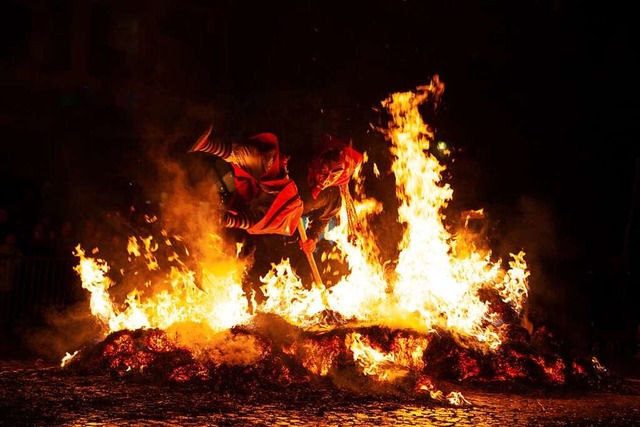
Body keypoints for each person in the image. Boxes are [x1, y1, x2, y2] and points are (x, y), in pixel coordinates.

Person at [188, 126, 303, 237]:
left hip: (272, 201)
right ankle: (207, 145)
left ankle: (206, 145)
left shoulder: (270, 216)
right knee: (250, 156)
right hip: (273, 183)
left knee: (260, 218)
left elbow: (257, 220)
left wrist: (227, 220)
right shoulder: (276, 175)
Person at [297, 134, 364, 255]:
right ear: (319, 162)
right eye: (324, 171)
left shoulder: (332, 195)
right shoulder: (300, 166)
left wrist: (312, 238)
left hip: (294, 226)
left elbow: (324, 217)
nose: (326, 179)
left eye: (334, 175)